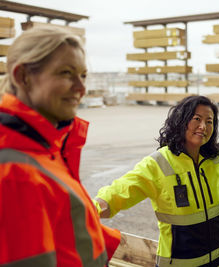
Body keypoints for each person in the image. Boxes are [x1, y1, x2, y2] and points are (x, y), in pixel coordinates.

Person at [0, 27, 121, 266]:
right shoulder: (16, 173)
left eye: (83, 75)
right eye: (66, 73)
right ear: (22, 76)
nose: (81, 88)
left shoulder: (44, 149)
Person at [94, 95, 219, 267]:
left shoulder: (216, 158)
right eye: (196, 119)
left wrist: (218, 195)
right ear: (181, 120)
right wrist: (85, 212)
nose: (203, 126)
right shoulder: (158, 164)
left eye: (210, 121)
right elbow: (119, 191)